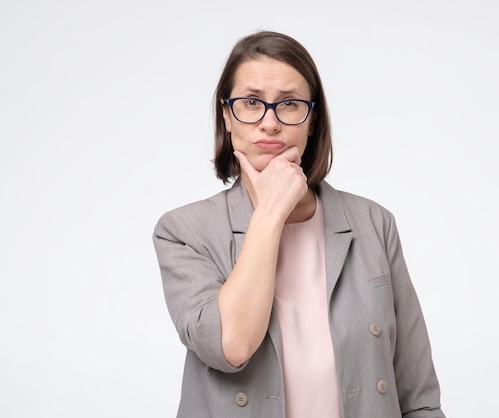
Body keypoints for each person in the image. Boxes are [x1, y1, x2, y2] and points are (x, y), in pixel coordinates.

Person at [153, 30, 445, 418]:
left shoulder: (374, 223)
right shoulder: (183, 231)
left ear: (312, 119)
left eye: (289, 104)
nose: (269, 123)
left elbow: (419, 398)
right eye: (251, 102)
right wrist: (270, 213)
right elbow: (231, 346)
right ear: (227, 115)